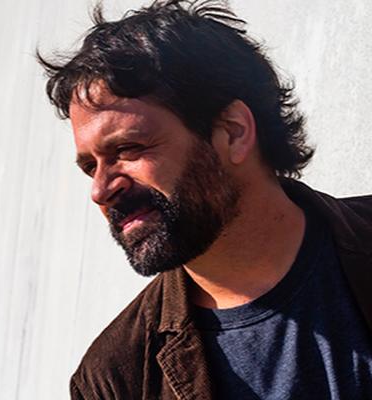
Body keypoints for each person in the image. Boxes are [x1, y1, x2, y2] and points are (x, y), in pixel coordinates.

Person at [38, 0, 372, 398]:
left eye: (127, 149)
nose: (101, 190)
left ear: (233, 132)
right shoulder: (114, 382)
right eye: (90, 167)